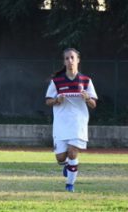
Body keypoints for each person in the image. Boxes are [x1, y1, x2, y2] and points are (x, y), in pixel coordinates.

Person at [45, 48, 97, 192]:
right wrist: (56, 100)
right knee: (60, 157)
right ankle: (67, 165)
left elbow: (93, 104)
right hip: (61, 123)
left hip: (78, 123)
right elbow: (48, 101)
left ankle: (70, 185)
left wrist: (88, 98)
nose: (70, 61)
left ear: (78, 60)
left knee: (73, 151)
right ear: (64, 61)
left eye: (72, 58)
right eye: (67, 58)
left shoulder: (86, 81)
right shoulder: (57, 81)